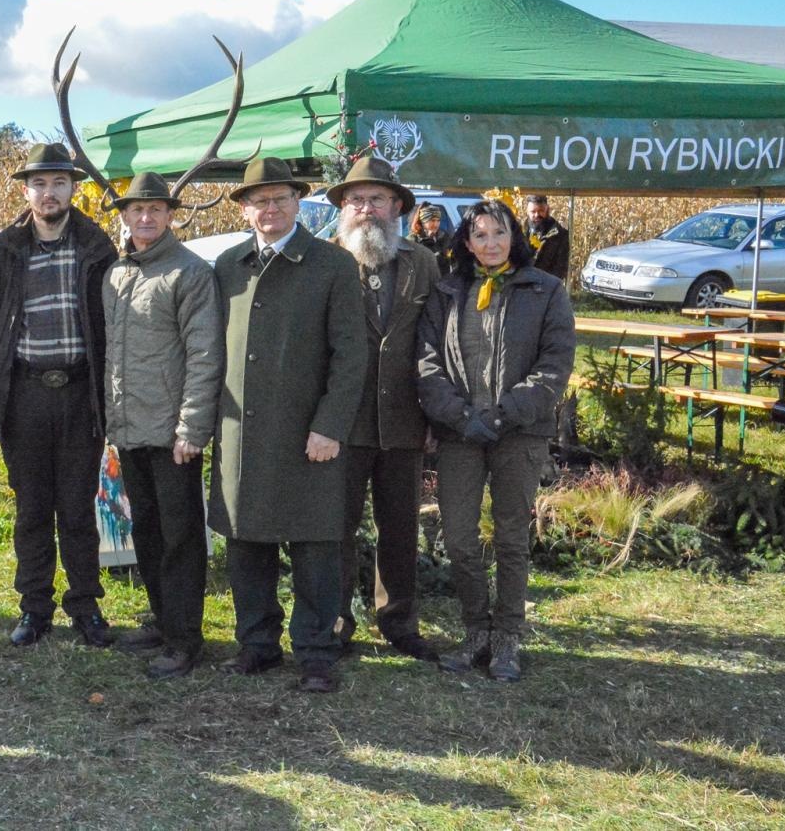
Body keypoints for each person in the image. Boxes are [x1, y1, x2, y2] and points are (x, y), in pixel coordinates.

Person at [209, 157, 367, 693]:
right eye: (258, 201)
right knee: (245, 542)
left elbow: (351, 355)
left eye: (279, 199)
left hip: (307, 432)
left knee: (315, 545)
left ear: (298, 203)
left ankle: (317, 652)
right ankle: (257, 644)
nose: (269, 209)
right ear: (245, 208)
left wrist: (330, 425)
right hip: (240, 433)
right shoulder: (228, 265)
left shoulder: (331, 265)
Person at [417, 199, 574, 682]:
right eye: (480, 235)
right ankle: (476, 630)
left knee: (510, 538)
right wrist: (460, 416)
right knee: (460, 538)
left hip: (519, 433)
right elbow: (426, 363)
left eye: (499, 234)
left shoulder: (544, 291)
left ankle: (507, 636)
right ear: (466, 242)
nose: (491, 244)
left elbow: (554, 366)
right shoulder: (447, 291)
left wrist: (505, 415)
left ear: (515, 236)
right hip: (461, 432)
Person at [0, 142, 118, 648]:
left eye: (59, 183)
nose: (49, 192)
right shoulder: (7, 251)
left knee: (78, 508)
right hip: (26, 395)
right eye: (40, 183)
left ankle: (85, 606)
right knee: (32, 509)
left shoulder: (97, 247)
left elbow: (112, 328)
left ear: (72, 188)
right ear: (27, 189)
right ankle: (34, 607)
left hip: (81, 393)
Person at [101, 173, 221, 679]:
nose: (145, 218)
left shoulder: (189, 273)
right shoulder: (116, 274)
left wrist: (191, 429)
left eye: (155, 209)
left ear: (170, 215)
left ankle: (185, 638)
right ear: (124, 217)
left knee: (180, 537)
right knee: (146, 531)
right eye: (136, 210)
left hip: (173, 435)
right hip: (129, 429)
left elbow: (204, 352)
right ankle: (162, 619)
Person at [325, 157, 440, 662]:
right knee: (334, 526)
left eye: (377, 200)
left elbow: (439, 340)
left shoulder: (423, 263)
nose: (366, 209)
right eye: (357, 200)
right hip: (339, 423)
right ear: (343, 208)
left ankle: (398, 620)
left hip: (403, 420)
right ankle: (333, 620)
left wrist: (436, 412)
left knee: (399, 525)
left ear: (397, 206)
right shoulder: (323, 261)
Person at [524, 195, 569, 281]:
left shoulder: (560, 235)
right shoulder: (519, 233)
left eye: (541, 211)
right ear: (527, 211)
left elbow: (560, 268)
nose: (537, 215)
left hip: (546, 286)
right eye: (533, 212)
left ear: (547, 210)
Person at [411, 203, 451, 272]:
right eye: (432, 220)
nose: (436, 224)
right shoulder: (413, 240)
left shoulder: (443, 237)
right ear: (423, 222)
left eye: (438, 220)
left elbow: (450, 260)